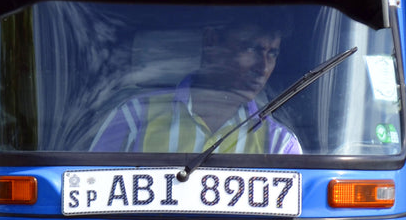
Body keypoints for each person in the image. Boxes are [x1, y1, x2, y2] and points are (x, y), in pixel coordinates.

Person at [91, 20, 301, 154]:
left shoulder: (279, 144)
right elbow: (92, 188)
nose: (263, 67)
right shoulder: (134, 117)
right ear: (211, 41)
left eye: (272, 54)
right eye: (251, 49)